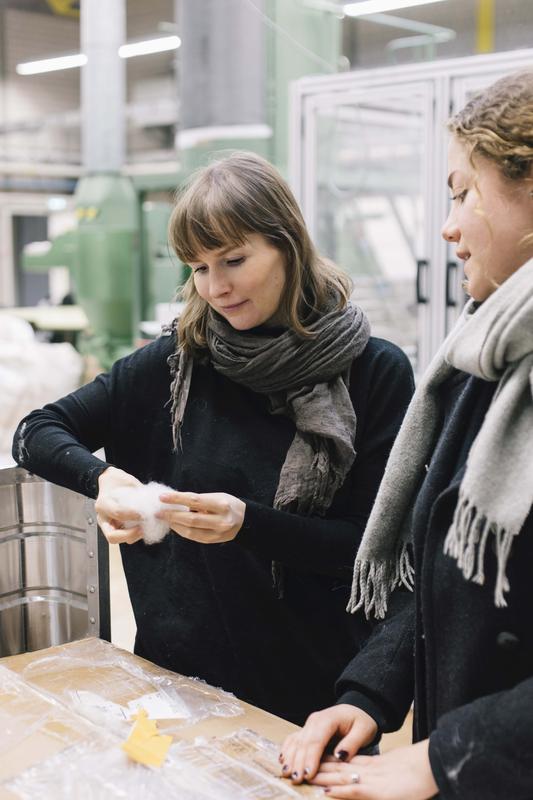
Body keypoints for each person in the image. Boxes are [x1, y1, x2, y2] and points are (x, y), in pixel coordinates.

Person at [12, 152, 413, 725]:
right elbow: (35, 433)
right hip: (176, 689)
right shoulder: (176, 364)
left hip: (312, 698)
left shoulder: (374, 373)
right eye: (198, 268)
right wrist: (103, 480)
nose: (216, 287)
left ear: (288, 245)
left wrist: (247, 525)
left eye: (233, 259)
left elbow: (370, 552)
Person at [280, 70, 533, 797]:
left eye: (462, 192)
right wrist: (368, 694)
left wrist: (440, 756)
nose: (447, 227)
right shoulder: (486, 358)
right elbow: (448, 576)